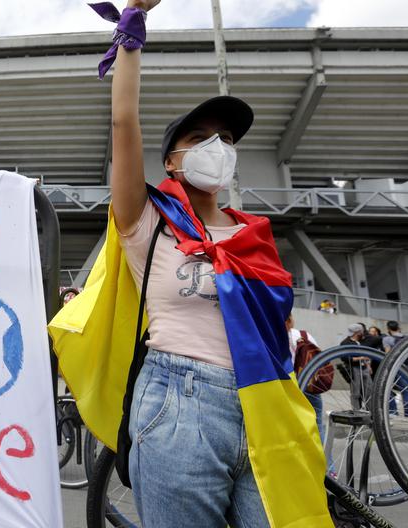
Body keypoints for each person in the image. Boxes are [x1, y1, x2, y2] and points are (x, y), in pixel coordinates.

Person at [50, 1, 330, 525]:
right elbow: (123, 120)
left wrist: (302, 349)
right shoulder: (147, 221)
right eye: (199, 138)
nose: (216, 147)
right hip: (179, 404)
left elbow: (270, 320)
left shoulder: (256, 236)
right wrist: (132, 25)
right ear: (171, 161)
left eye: (225, 139)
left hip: (269, 405)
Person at [288, 314, 325, 440]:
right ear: (290, 319)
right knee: (317, 423)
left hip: (286, 386)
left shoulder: (271, 335)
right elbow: (318, 355)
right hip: (309, 384)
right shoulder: (304, 335)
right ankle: (325, 458)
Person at [340, 323, 374, 410]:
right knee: (355, 393)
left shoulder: (360, 342)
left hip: (364, 368)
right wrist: (360, 358)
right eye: (362, 331)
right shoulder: (345, 343)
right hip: (354, 369)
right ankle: (356, 412)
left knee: (369, 391)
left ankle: (370, 411)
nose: (363, 332)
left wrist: (368, 366)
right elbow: (344, 358)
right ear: (357, 332)